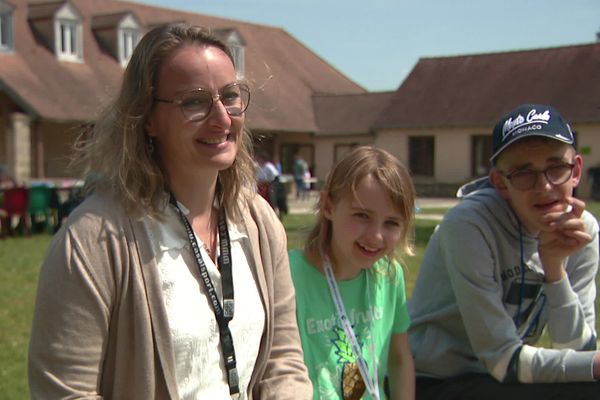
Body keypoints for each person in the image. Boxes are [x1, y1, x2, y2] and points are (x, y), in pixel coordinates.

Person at [28, 23, 312, 399]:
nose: (222, 119)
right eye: (194, 101)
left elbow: (283, 360)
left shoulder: (259, 223)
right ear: (147, 118)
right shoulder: (92, 243)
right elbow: (64, 393)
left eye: (230, 96)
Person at [408, 104, 600, 399]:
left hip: (499, 379)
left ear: (575, 170)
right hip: (433, 381)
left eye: (556, 167)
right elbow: (501, 360)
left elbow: (577, 350)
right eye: (524, 172)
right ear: (500, 182)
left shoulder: (582, 230)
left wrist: (555, 269)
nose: (544, 186)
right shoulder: (469, 225)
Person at [289, 146, 416, 399]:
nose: (376, 236)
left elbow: (400, 360)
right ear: (327, 206)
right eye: (361, 216)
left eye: (391, 223)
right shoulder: (289, 275)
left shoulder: (390, 276)